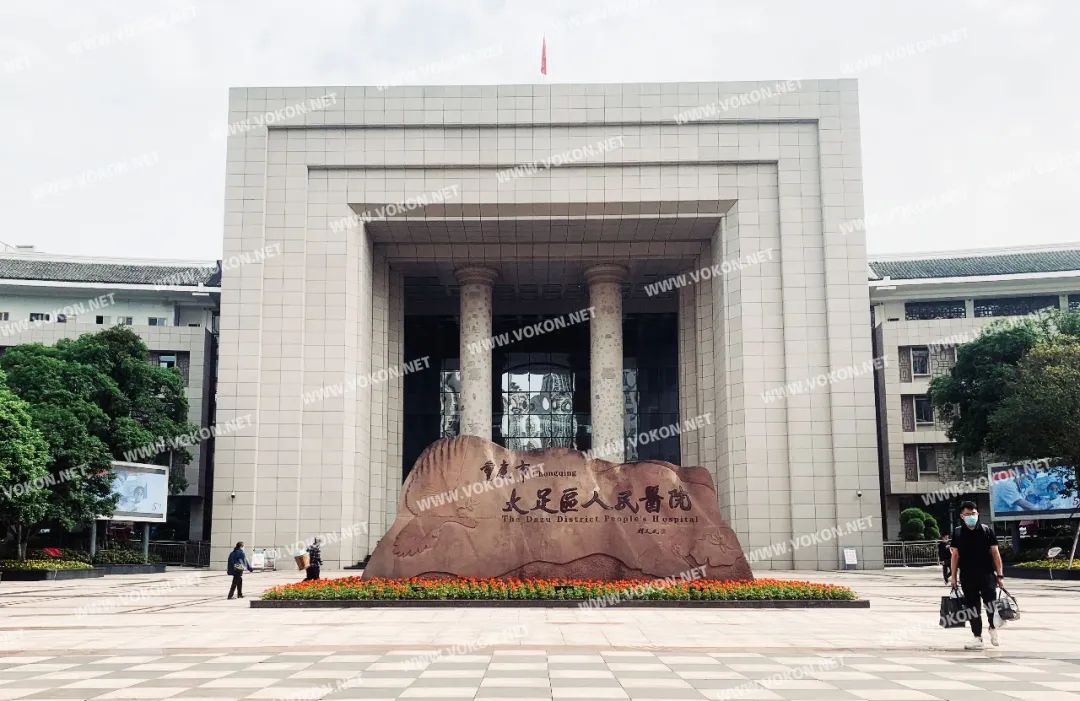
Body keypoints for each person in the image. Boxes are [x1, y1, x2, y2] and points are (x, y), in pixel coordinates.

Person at [949, 501, 1005, 649]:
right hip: (967, 576)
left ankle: (993, 628)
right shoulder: (958, 533)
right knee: (972, 608)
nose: (971, 516)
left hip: (987, 575)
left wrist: (1000, 575)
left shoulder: (987, 531)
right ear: (962, 516)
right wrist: (953, 577)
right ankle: (977, 637)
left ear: (978, 514)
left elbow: (995, 553)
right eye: (967, 514)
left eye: (973, 513)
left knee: (991, 605)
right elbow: (955, 556)